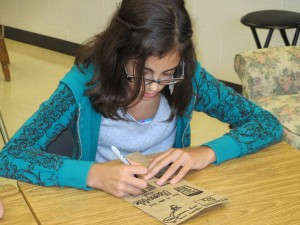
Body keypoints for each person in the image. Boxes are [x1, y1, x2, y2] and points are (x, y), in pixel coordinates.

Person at [0, 0, 282, 197]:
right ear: (119, 52)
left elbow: (266, 123)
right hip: (99, 202)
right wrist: (92, 174)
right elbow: (10, 157)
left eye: (167, 73)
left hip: (162, 198)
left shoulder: (190, 77)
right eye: (142, 73)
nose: (155, 87)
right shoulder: (83, 83)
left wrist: (205, 153)